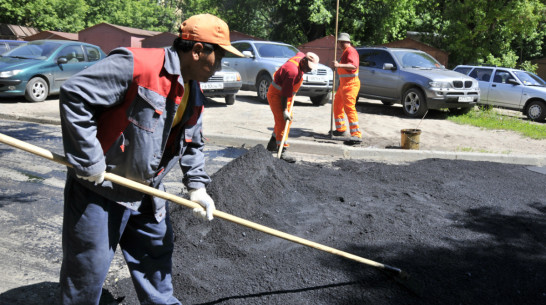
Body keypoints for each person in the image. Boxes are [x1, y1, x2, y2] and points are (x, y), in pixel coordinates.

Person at [58, 14, 243, 305]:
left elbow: (193, 141)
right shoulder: (137, 64)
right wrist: (89, 160)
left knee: (156, 259)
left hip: (148, 191)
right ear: (197, 51)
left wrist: (197, 187)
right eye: (218, 57)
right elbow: (74, 94)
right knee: (86, 272)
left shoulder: (193, 89)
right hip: (101, 188)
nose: (220, 66)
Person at [265, 51, 319, 162]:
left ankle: (272, 144)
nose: (309, 71)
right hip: (277, 95)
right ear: (303, 61)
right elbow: (284, 95)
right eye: (308, 68)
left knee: (287, 121)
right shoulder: (292, 72)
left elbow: (299, 51)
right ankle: (282, 150)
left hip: (285, 95)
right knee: (283, 121)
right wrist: (285, 110)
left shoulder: (300, 56)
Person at [332, 32, 362, 143]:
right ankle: (341, 129)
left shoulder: (351, 51)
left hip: (351, 85)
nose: (338, 44)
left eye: (339, 42)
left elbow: (353, 66)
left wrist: (338, 65)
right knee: (337, 105)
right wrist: (337, 67)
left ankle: (356, 135)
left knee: (349, 108)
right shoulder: (345, 52)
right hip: (343, 85)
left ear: (343, 42)